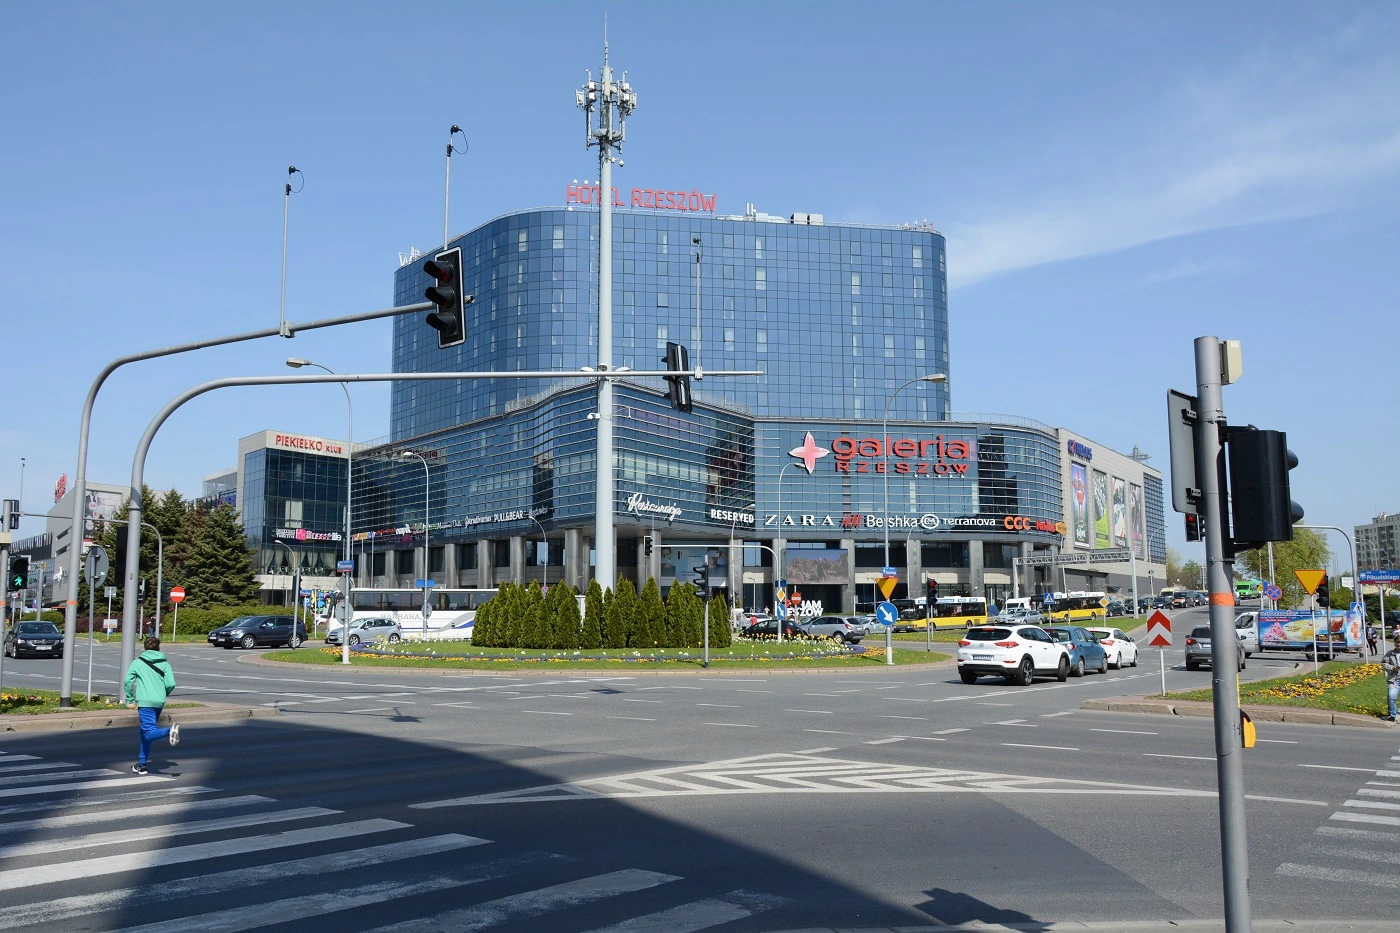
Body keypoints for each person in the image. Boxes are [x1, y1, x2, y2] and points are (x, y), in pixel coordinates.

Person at [123, 635, 180, 774]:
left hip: (145, 702)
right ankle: (142, 764)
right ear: (158, 648)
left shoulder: (137, 663)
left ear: (144, 648)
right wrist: (163, 693)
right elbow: (171, 683)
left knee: (148, 732)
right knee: (145, 732)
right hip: (159, 701)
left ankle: (169, 731)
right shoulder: (165, 664)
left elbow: (128, 681)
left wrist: (130, 699)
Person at [1382, 634, 1400, 723]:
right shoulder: (1390, 653)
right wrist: (1393, 668)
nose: (1398, 647)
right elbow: (1384, 664)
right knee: (1392, 696)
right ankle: (1392, 715)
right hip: (1394, 679)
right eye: (1397, 645)